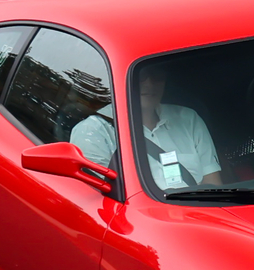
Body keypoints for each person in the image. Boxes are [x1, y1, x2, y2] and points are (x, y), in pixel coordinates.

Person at [72, 63, 222, 191]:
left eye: (157, 75)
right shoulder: (94, 132)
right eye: (140, 75)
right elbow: (99, 200)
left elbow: (213, 183)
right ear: (120, 78)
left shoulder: (188, 119)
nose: (149, 84)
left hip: (198, 217)